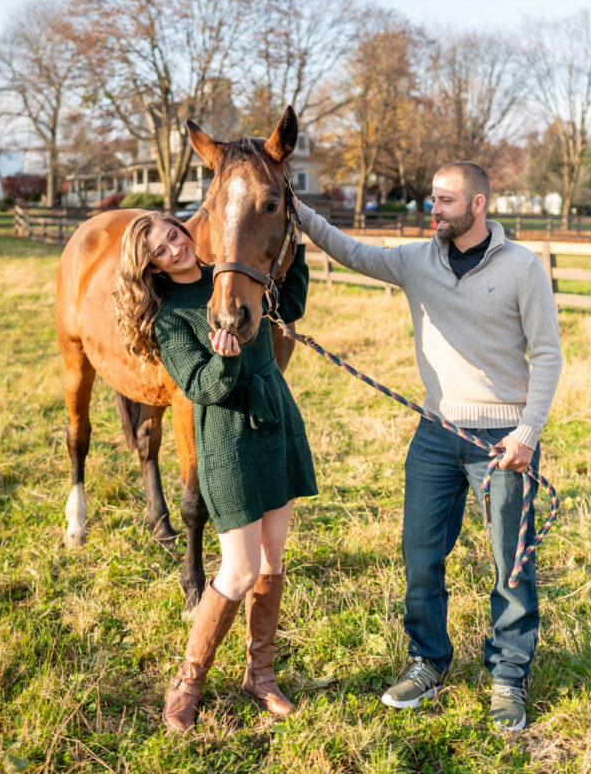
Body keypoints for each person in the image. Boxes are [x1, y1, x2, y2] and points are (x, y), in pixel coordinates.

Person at [295, 163, 562, 733]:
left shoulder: (523, 267)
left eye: (445, 201)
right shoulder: (417, 260)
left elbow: (547, 355)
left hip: (503, 441)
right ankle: (428, 662)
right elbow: (349, 250)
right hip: (436, 433)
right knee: (420, 556)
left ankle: (508, 675)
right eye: (431, 201)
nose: (433, 209)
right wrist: (293, 206)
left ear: (478, 204)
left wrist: (526, 434)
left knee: (511, 565)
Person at [113, 212, 317, 733]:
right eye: (161, 250)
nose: (176, 248)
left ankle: (261, 676)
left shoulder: (234, 275)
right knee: (239, 570)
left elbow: (289, 307)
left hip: (276, 420)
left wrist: (295, 251)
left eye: (174, 235)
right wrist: (225, 359)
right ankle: (187, 682)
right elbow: (201, 387)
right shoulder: (171, 317)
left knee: (272, 558)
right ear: (152, 267)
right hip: (228, 439)